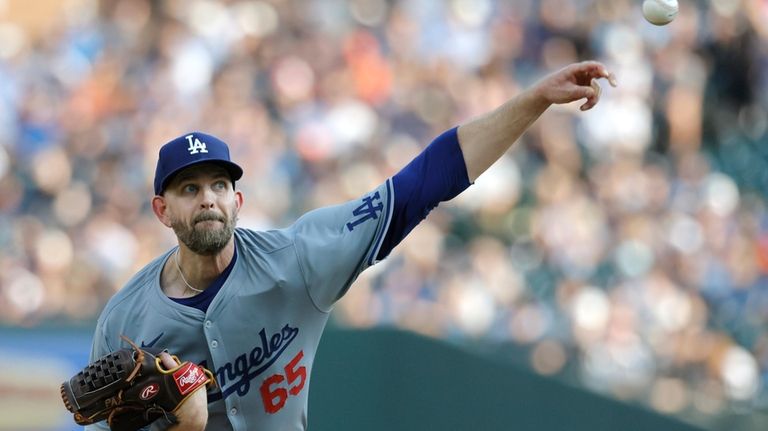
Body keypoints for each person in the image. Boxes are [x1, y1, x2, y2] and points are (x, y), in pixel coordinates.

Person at [85, 61, 617, 431]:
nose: (208, 200)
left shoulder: (298, 261)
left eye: (219, 186)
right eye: (189, 189)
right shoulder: (124, 321)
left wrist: (533, 99)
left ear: (238, 200)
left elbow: (421, 184)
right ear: (162, 210)